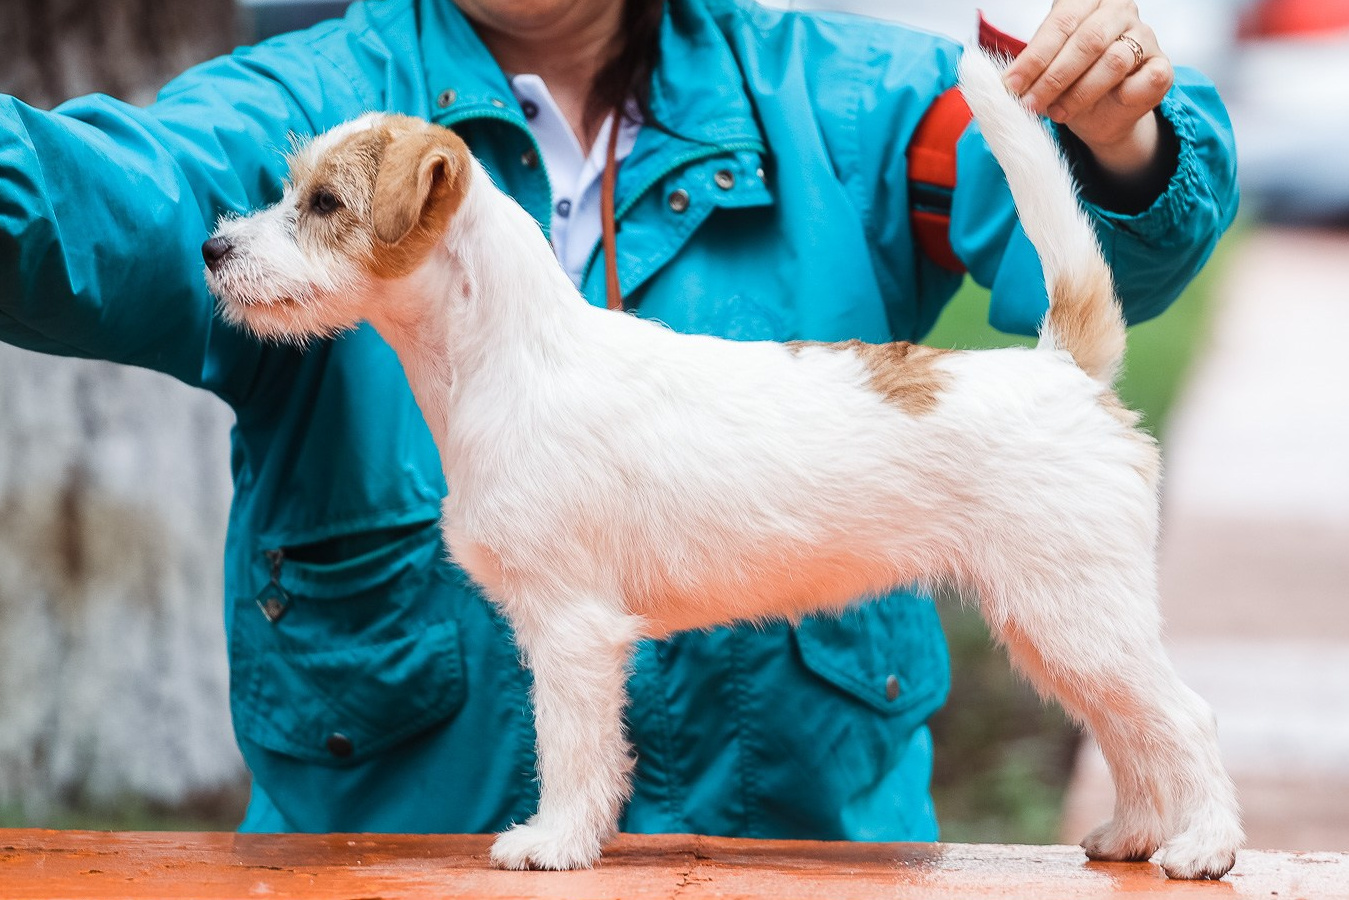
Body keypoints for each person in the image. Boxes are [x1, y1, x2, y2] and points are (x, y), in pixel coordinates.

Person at [0, 0, 1236, 839]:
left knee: (1090, 658)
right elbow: (114, 209)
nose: (280, 218)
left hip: (812, 857)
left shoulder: (846, 95)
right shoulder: (325, 103)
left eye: (311, 205)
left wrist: (1116, 131)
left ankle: (1190, 798)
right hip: (385, 859)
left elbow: (1089, 254)